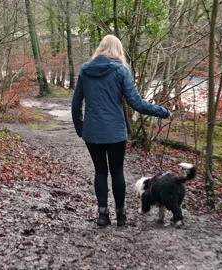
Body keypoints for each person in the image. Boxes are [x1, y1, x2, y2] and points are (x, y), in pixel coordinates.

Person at [71, 35, 172, 227]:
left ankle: (102, 215)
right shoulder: (121, 71)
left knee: (100, 172)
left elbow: (76, 105)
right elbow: (136, 103)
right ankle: (121, 216)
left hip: (92, 132)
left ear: (100, 48)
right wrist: (163, 112)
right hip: (115, 132)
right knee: (117, 172)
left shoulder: (85, 70)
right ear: (118, 50)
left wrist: (81, 129)